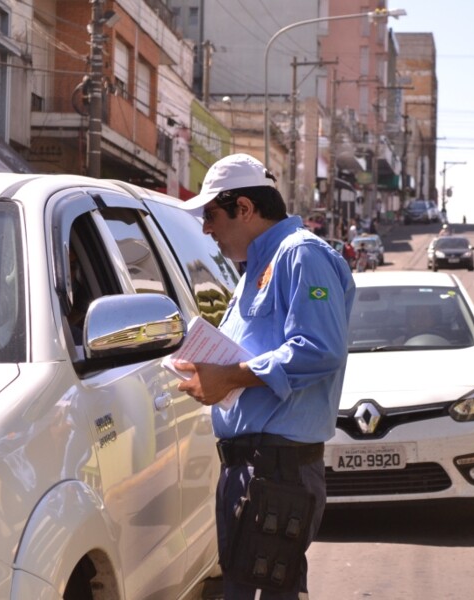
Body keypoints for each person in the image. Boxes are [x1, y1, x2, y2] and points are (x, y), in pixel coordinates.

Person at [173, 153, 355, 599]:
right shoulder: (255, 267)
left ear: (245, 209)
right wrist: (211, 372)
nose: (206, 229)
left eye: (211, 215)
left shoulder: (301, 256)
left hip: (277, 471)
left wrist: (230, 377)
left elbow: (319, 349)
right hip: (253, 468)